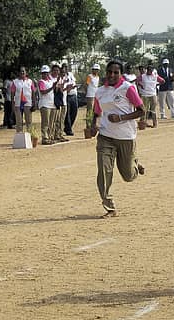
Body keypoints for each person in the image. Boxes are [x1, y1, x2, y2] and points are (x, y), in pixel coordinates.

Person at [89, 59, 146, 218]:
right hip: (106, 136)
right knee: (104, 170)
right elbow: (96, 112)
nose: (112, 75)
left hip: (126, 137)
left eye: (116, 72)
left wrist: (121, 117)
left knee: (128, 176)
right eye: (109, 72)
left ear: (121, 74)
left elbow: (141, 110)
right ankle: (109, 206)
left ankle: (134, 162)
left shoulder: (127, 88)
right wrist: (94, 125)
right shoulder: (100, 91)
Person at [9, 67, 34, 133]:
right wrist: (12, 104)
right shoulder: (15, 82)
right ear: (18, 73)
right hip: (18, 104)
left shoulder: (30, 81)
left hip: (28, 103)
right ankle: (19, 136)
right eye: (21, 71)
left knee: (29, 121)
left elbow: (33, 92)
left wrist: (34, 102)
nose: (22, 73)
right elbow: (12, 94)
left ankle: (30, 137)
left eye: (23, 71)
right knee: (19, 121)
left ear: (26, 72)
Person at [137, 62, 162, 128]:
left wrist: (156, 85)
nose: (150, 72)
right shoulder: (143, 76)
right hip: (145, 95)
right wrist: (141, 85)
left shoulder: (155, 76)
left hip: (153, 94)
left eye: (151, 70)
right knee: (145, 109)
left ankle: (155, 123)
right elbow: (137, 81)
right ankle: (143, 123)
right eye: (149, 70)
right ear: (147, 70)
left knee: (153, 110)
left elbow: (162, 81)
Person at [37, 65, 56, 145]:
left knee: (51, 122)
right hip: (44, 104)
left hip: (52, 103)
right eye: (43, 73)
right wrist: (52, 87)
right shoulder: (41, 82)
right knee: (45, 122)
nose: (45, 74)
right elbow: (43, 91)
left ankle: (50, 136)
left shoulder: (50, 81)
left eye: (46, 73)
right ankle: (45, 138)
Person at [64, 64, 79, 136]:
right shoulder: (63, 77)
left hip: (74, 95)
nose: (65, 69)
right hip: (67, 96)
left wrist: (74, 86)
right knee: (68, 114)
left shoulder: (70, 74)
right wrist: (70, 88)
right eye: (64, 68)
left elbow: (74, 82)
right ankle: (68, 129)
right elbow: (65, 88)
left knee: (74, 112)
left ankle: (68, 127)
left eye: (66, 68)